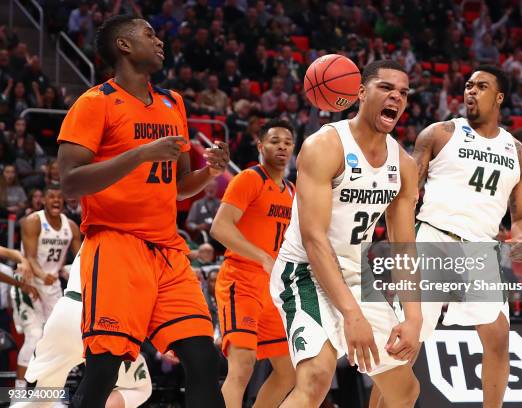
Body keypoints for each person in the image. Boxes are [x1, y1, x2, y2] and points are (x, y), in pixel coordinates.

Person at [56, 15, 229, 407]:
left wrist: (209, 173)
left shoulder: (173, 103)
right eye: (148, 34)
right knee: (103, 367)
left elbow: (179, 186)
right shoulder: (95, 102)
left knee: (205, 360)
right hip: (116, 244)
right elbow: (70, 182)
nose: (159, 40)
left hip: (167, 249)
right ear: (124, 45)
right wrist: (140, 154)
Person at [270, 60, 421, 408]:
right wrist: (352, 315)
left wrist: (413, 318)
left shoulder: (404, 165)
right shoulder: (325, 145)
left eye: (403, 92)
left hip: (354, 275)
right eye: (386, 88)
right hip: (305, 272)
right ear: (361, 92)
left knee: (405, 390)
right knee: (317, 376)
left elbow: (404, 249)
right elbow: (314, 240)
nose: (396, 97)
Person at [412, 65, 522, 408]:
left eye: (481, 86)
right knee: (409, 340)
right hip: (434, 238)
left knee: (497, 337)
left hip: (480, 248)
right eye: (468, 85)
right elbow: (407, 189)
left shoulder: (518, 152)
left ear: (498, 97)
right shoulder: (440, 133)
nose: (471, 91)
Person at [210, 119, 296, 407]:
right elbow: (220, 227)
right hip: (241, 280)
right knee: (243, 364)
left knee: (289, 372)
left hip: (274, 288)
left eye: (287, 141)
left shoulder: (292, 191)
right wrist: (262, 257)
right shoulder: (249, 179)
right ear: (261, 146)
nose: (281, 146)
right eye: (274, 141)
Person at [11, 252, 153, 408]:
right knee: (139, 388)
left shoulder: (91, 234)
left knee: (42, 398)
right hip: (99, 319)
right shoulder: (136, 241)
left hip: (63, 313)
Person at [11, 183, 81, 390]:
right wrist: (42, 274)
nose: (56, 200)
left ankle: (48, 391)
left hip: (53, 287)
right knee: (34, 335)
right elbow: (30, 257)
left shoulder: (71, 227)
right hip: (28, 284)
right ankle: (18, 392)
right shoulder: (33, 221)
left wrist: (69, 270)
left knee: (57, 337)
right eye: (52, 197)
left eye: (60, 197)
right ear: (44, 200)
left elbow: (80, 258)